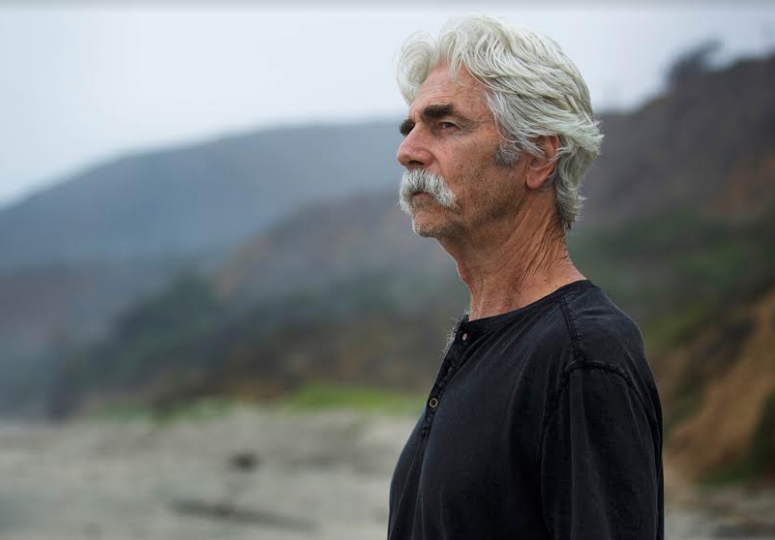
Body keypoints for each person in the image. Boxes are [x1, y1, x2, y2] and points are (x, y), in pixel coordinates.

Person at [389, 15, 664, 540]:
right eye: (411, 128)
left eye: (445, 125)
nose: (408, 152)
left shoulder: (583, 355)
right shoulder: (485, 338)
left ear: (538, 156)